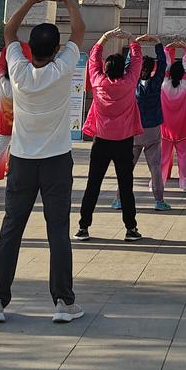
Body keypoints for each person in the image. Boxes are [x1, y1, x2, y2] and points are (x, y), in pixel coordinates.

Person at [0, 0, 87, 326]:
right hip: (57, 159)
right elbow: (80, 30)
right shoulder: (62, 70)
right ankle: (62, 301)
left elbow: (9, 31)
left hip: (23, 161)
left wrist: (33, 0)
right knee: (57, 229)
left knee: (11, 228)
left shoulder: (18, 69)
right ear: (57, 49)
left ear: (31, 50)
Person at [75, 26, 146, 241]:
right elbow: (137, 61)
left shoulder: (98, 82)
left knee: (93, 184)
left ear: (105, 69)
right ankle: (130, 228)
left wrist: (104, 38)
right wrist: (132, 39)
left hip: (101, 141)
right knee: (126, 186)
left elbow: (93, 59)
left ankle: (83, 226)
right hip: (124, 142)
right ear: (122, 71)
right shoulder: (129, 83)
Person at [123, 38, 170, 211]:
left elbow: (129, 64)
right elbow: (163, 63)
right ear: (152, 69)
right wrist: (158, 44)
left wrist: (135, 45)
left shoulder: (132, 83)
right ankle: (159, 200)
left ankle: (120, 199)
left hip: (134, 129)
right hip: (152, 130)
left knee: (127, 167)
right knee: (155, 167)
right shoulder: (156, 83)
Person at [161, 39, 186, 192]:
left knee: (163, 157)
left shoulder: (163, 83)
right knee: (184, 157)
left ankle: (158, 182)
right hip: (183, 127)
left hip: (165, 126)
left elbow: (165, 64)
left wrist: (168, 49)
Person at [0, 43, 20, 189]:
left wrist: (6, 50)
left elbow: (0, 68)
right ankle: (13, 177)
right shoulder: (21, 84)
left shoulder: (2, 82)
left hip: (4, 123)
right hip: (20, 124)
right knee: (16, 153)